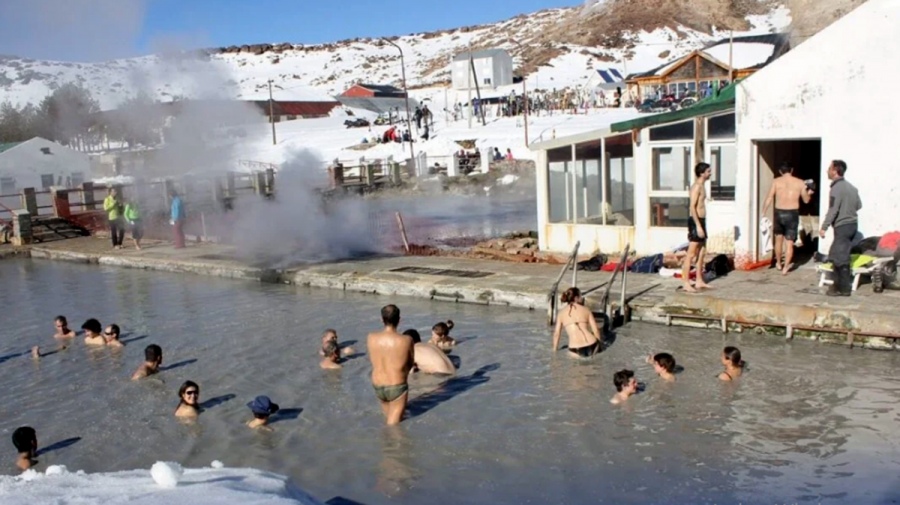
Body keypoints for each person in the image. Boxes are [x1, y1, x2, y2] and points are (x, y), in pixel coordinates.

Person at [819, 160, 862, 297]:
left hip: (842, 226)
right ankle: (840, 287)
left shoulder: (836, 188)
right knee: (838, 253)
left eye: (829, 168)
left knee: (839, 257)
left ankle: (842, 288)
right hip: (852, 225)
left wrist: (824, 227)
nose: (827, 171)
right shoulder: (852, 188)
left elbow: (833, 209)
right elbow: (858, 205)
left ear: (835, 170)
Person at [762, 162, 814, 275]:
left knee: (778, 239)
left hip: (779, 212)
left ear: (780, 171)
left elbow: (769, 197)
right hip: (792, 213)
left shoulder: (776, 181)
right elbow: (806, 200)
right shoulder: (800, 183)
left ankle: (779, 263)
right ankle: (786, 268)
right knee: (789, 242)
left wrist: (763, 212)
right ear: (792, 170)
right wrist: (809, 193)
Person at [367, 304, 415, 426]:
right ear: (399, 320)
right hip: (396, 386)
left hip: (377, 385)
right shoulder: (407, 340)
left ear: (381, 319)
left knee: (388, 420)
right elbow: (410, 364)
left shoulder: (371, 338)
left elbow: (373, 359)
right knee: (394, 429)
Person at [682, 162, 713, 292]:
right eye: (708, 171)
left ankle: (699, 280)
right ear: (702, 173)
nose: (710, 173)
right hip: (696, 221)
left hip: (702, 220)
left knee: (701, 252)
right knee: (691, 253)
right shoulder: (697, 187)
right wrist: (698, 226)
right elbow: (692, 207)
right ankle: (685, 282)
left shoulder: (703, 186)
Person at [551, 287, 602, 358]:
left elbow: (556, 334)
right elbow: (596, 330)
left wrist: (554, 350)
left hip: (575, 348)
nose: (582, 298)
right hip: (592, 344)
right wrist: (599, 345)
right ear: (576, 298)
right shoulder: (586, 310)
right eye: (580, 296)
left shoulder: (561, 314)